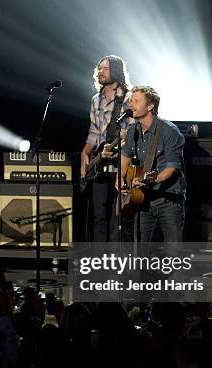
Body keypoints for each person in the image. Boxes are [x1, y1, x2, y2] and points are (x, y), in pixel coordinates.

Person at [119, 86, 186, 243]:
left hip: (168, 199)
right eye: (131, 100)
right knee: (144, 251)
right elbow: (125, 156)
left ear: (150, 106)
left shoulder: (169, 131)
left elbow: (172, 167)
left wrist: (150, 179)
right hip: (143, 199)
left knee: (172, 251)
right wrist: (120, 179)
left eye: (136, 101)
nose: (131, 104)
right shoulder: (133, 130)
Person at [81, 55, 134, 242]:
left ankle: (119, 264)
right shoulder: (96, 99)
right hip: (100, 167)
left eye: (105, 68)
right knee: (98, 216)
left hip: (122, 167)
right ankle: (99, 261)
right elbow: (94, 132)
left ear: (117, 71)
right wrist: (85, 153)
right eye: (99, 68)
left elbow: (132, 133)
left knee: (121, 217)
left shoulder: (128, 98)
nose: (100, 72)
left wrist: (117, 148)